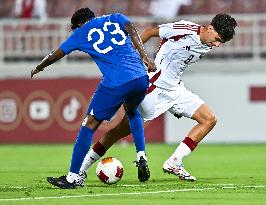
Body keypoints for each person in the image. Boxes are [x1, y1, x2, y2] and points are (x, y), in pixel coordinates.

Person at [79, 13, 237, 183]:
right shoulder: (184, 29)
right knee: (119, 131)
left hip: (176, 89)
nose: (217, 44)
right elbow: (150, 32)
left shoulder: (208, 44)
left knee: (209, 119)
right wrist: (134, 58)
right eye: (217, 38)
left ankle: (174, 162)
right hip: (153, 85)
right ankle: (81, 169)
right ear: (210, 28)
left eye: (221, 42)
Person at [31, 7, 156, 188]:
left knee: (88, 124)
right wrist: (144, 55)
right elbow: (131, 27)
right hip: (140, 77)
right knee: (132, 110)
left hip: (117, 81)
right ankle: (141, 155)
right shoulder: (115, 17)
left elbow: (56, 54)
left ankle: (73, 178)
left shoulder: (81, 32)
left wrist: (39, 67)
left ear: (79, 24)